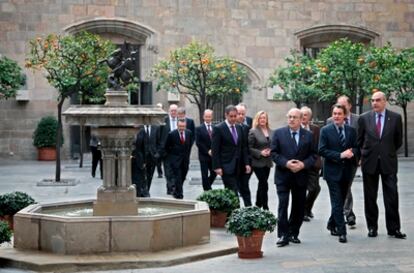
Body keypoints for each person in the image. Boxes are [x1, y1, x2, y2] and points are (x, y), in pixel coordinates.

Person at [358, 91, 406, 239]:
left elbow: (398, 141)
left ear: (385, 101)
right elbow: (359, 140)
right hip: (369, 162)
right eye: (372, 100)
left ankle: (394, 229)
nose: (374, 103)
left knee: (391, 196)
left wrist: (386, 151)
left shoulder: (396, 118)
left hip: (388, 162)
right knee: (370, 197)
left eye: (378, 100)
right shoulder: (364, 118)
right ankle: (372, 227)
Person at [271, 108, 316, 247]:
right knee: (283, 205)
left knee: (298, 206)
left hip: (300, 176)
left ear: (301, 119)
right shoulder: (279, 133)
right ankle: (283, 235)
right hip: (283, 176)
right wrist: (286, 163)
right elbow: (274, 153)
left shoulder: (308, 135)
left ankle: (293, 233)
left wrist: (303, 164)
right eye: (289, 117)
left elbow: (314, 155)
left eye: (294, 117)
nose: (291, 119)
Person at [319, 104, 359, 243]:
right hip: (332, 172)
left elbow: (356, 147)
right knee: (336, 201)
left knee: (340, 201)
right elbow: (322, 150)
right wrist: (340, 155)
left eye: (339, 114)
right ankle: (342, 231)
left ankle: (331, 223)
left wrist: (352, 153)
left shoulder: (351, 131)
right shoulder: (325, 130)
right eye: (334, 113)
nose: (336, 116)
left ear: (344, 116)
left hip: (347, 172)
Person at [327, 95, 359, 227]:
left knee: (346, 188)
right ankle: (348, 213)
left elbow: (361, 140)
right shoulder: (330, 121)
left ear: (349, 106)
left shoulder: (358, 120)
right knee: (340, 190)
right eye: (338, 105)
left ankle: (334, 219)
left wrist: (358, 155)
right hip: (335, 162)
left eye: (343, 105)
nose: (340, 108)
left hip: (351, 161)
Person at [212, 105, 251, 196]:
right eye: (231, 116)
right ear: (226, 115)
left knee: (234, 190)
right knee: (232, 191)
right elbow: (215, 149)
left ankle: (231, 209)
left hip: (239, 166)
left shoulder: (239, 127)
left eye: (235, 116)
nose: (233, 118)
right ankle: (235, 209)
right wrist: (217, 166)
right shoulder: (219, 128)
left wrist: (247, 163)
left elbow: (243, 147)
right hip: (226, 165)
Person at [248, 111, 273, 210]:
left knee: (262, 183)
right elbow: (249, 148)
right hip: (257, 162)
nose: (263, 119)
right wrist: (260, 153)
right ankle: (265, 206)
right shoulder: (253, 131)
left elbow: (273, 144)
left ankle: (258, 204)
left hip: (267, 162)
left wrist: (271, 150)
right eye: (261, 118)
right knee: (264, 183)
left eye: (264, 118)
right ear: (257, 119)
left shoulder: (271, 131)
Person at [163, 119, 194, 199]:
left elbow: (190, 144)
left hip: (185, 160)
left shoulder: (189, 133)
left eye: (183, 126)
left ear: (185, 126)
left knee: (183, 176)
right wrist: (172, 156)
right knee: (178, 177)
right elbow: (167, 147)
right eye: (180, 126)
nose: (181, 128)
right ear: (177, 126)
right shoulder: (172, 134)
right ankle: (180, 194)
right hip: (175, 161)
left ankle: (176, 190)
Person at [300, 106, 322, 222]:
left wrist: (319, 161)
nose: (304, 117)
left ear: (310, 117)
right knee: (303, 189)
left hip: (313, 163)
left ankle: (307, 208)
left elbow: (318, 145)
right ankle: (303, 211)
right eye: (302, 115)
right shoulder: (297, 128)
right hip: (301, 164)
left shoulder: (315, 129)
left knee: (315, 188)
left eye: (306, 115)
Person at [235, 104, 252, 207]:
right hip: (232, 164)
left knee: (244, 186)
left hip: (244, 162)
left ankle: (248, 209)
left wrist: (247, 163)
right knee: (234, 188)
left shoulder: (246, 128)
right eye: (239, 114)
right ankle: (235, 210)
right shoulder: (227, 127)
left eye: (243, 114)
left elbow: (246, 147)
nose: (241, 116)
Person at [195, 109, 217, 191]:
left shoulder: (215, 128)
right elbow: (198, 143)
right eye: (206, 116)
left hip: (213, 156)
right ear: (203, 117)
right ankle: (207, 189)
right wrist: (207, 151)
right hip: (203, 155)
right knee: (204, 175)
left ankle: (207, 185)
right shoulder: (199, 128)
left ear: (212, 117)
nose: (208, 118)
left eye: (209, 117)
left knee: (214, 172)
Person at [161, 104, 179, 194]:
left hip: (177, 151)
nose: (173, 112)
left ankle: (172, 187)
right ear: (169, 111)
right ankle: (170, 187)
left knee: (176, 170)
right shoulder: (164, 121)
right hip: (166, 151)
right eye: (172, 110)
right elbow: (160, 135)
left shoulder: (181, 121)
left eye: (175, 110)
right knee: (168, 171)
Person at [141, 124, 162, 193]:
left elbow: (159, 141)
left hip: (153, 156)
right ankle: (143, 190)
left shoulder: (156, 127)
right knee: (142, 174)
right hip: (142, 156)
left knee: (150, 175)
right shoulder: (140, 127)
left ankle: (147, 190)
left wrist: (157, 153)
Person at [131, 126, 149, 197]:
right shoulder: (127, 129)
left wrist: (144, 161)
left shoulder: (142, 131)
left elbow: (145, 146)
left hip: (139, 159)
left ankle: (137, 195)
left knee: (138, 179)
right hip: (127, 159)